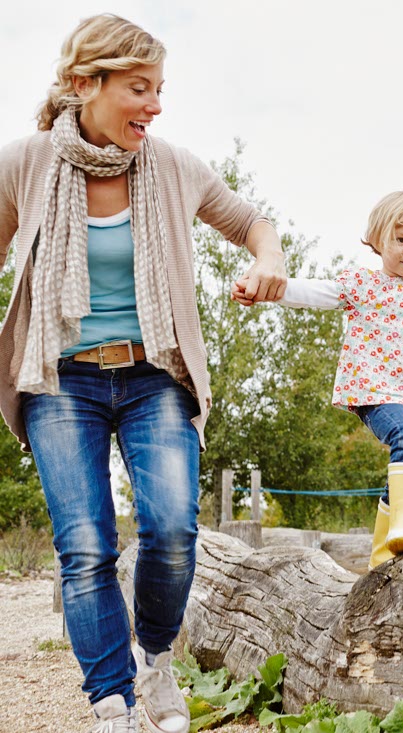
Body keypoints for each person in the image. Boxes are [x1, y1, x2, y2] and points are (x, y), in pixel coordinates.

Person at [0, 14, 287, 733]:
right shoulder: (26, 164)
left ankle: (153, 661)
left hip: (155, 374)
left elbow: (254, 221)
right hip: (60, 380)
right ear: (83, 84)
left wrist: (268, 258)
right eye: (139, 88)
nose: (155, 105)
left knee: (171, 528)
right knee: (86, 544)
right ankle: (111, 701)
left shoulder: (173, 167)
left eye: (160, 89)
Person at [233, 191, 403, 570]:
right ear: (378, 239)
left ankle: (383, 558)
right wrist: (266, 290)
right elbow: (314, 293)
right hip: (377, 390)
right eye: (402, 240)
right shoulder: (363, 284)